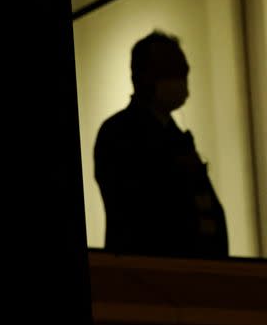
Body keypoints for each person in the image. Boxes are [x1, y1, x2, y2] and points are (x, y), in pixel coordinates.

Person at [94, 30, 228, 258]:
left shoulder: (176, 136)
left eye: (183, 70)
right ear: (142, 76)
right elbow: (136, 213)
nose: (182, 78)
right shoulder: (118, 134)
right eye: (172, 70)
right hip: (150, 275)